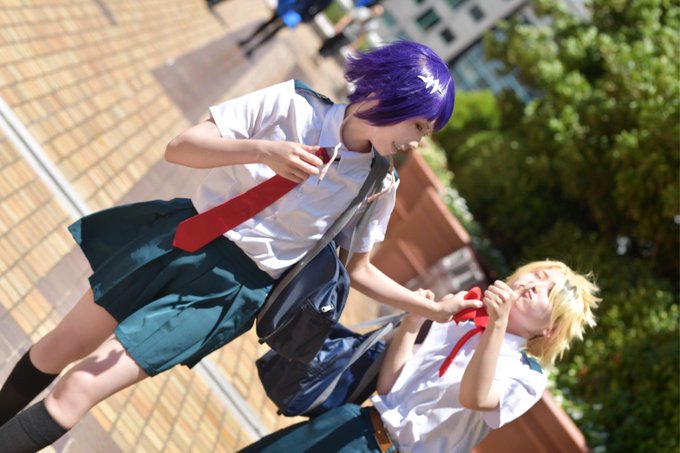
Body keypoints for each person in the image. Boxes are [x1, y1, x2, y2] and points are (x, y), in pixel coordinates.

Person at [0, 41, 461, 451]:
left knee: (79, 387)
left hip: (229, 294)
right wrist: (263, 151)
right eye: (418, 125)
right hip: (179, 239)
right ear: (385, 96)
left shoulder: (378, 185)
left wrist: (429, 310)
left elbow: (357, 269)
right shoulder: (292, 104)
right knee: (57, 348)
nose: (417, 143)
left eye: (425, 133)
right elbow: (181, 147)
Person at [239, 260, 600, 452]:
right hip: (355, 423)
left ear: (549, 331)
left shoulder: (527, 375)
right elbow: (389, 387)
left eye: (548, 292)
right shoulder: (463, 321)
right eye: (538, 275)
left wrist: (497, 325)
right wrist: (414, 321)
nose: (534, 284)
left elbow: (474, 397)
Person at [238, 0, 334, 58]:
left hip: (298, 13)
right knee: (270, 21)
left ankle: (254, 48)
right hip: (290, 4)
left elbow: (318, 10)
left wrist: (304, 19)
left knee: (275, 30)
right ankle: (248, 39)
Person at [319, 3, 385, 59]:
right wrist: (340, 25)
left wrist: (355, 45)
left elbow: (364, 36)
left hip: (351, 37)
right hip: (345, 30)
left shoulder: (373, 25)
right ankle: (319, 52)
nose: (376, 12)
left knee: (336, 47)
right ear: (374, 7)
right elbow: (349, 17)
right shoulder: (363, 11)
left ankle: (322, 56)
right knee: (330, 41)